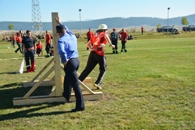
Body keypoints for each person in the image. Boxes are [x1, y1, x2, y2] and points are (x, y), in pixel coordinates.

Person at [55, 17, 85, 112]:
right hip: (76, 61)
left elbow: (62, 51)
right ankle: (66, 95)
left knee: (75, 85)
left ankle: (80, 106)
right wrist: (60, 22)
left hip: (69, 62)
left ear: (59, 33)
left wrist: (64, 60)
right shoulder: (72, 36)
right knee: (67, 79)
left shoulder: (61, 40)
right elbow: (67, 30)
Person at [78, 24, 115, 90]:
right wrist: (111, 44)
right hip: (100, 54)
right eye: (106, 30)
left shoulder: (94, 35)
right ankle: (98, 83)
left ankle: (77, 82)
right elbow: (105, 39)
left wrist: (91, 48)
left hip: (92, 53)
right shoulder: (104, 34)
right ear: (104, 29)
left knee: (88, 68)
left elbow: (87, 44)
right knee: (103, 69)